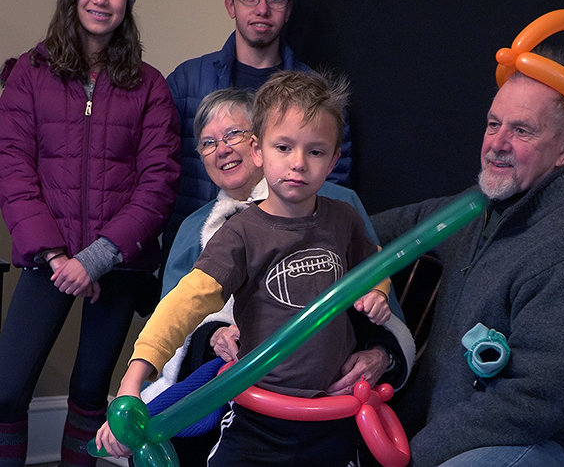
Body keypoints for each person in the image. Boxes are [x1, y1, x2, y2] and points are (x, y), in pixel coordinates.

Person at [96, 70, 399, 465]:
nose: (298, 163)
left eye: (316, 151)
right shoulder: (238, 233)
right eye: (284, 147)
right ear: (258, 150)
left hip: (331, 415)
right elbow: (183, 303)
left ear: (334, 159)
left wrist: (376, 291)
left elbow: (374, 262)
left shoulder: (344, 218)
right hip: (257, 420)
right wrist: (133, 380)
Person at [371, 47, 564, 467]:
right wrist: (303, 218)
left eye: (522, 131)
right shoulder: (478, 208)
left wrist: (417, 453)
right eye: (494, 124)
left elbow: (540, 401)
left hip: (548, 447)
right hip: (465, 435)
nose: (497, 143)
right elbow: (380, 228)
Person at [0, 0, 180, 467]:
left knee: (88, 392)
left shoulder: (150, 86)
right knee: (7, 389)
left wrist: (96, 259)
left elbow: (158, 184)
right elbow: (13, 171)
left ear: (128, 2)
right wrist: (59, 259)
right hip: (47, 260)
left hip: (119, 262)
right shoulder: (28, 75)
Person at [163, 0, 352, 272]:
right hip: (196, 251)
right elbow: (160, 170)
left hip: (286, 257)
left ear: (288, 9)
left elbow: (335, 177)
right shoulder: (186, 81)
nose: (262, 9)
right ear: (230, 5)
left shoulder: (316, 93)